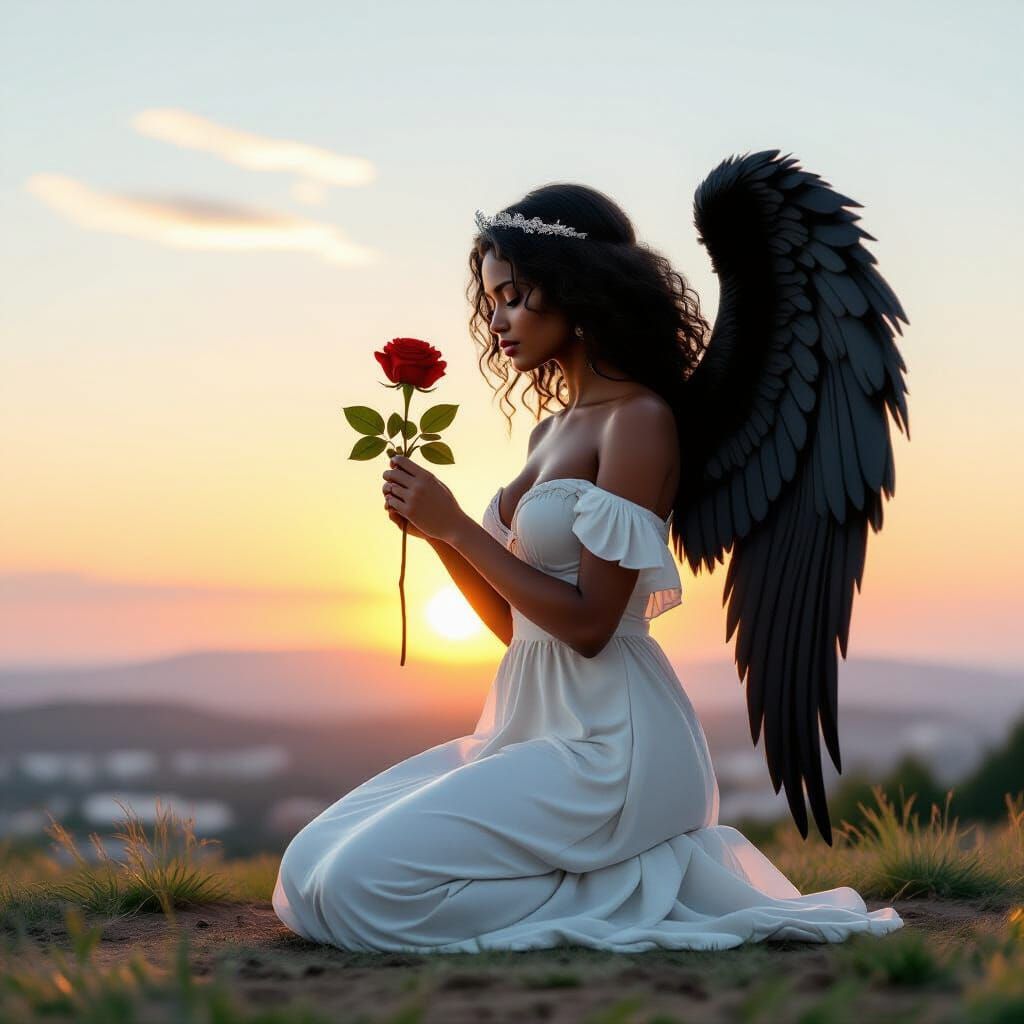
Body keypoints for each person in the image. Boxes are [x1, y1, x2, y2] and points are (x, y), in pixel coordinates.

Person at [273, 154, 909, 952]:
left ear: (575, 292)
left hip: (614, 748)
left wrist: (460, 528)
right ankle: (602, 884)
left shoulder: (639, 422)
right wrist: (435, 538)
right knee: (305, 873)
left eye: (514, 297)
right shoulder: (550, 432)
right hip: (532, 725)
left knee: (360, 891)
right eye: (492, 299)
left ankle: (614, 890)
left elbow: (591, 625)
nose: (497, 320)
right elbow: (519, 630)